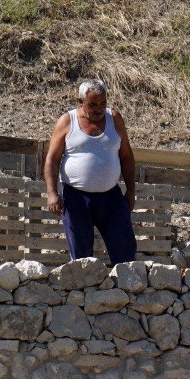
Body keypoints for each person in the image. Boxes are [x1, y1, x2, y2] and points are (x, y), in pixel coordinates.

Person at [43, 78, 138, 264]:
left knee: (125, 252)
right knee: (82, 259)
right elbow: (52, 160)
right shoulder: (67, 121)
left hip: (111, 197)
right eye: (92, 104)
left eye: (103, 103)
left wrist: (131, 191)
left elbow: (126, 156)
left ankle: (127, 292)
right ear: (80, 102)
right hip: (77, 198)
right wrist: (52, 193)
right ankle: (84, 292)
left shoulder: (115, 119)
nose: (99, 109)